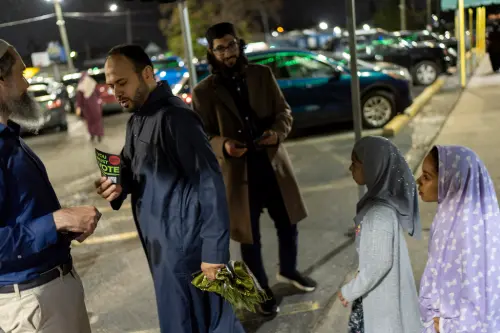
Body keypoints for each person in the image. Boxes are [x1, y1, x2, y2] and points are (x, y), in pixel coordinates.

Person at [95, 44, 245, 333]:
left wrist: (214, 253)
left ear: (147, 73)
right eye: (111, 85)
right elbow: (132, 166)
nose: (116, 92)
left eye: (122, 82)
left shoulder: (176, 117)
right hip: (163, 251)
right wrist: (116, 182)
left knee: (213, 323)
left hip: (188, 253)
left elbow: (210, 183)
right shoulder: (137, 118)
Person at [191, 22, 316, 316]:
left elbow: (284, 112)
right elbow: (203, 137)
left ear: (239, 44)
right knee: (250, 238)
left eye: (231, 45)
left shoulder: (262, 75)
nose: (227, 53)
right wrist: (224, 146)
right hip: (237, 174)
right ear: (211, 52)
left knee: (288, 222)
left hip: (272, 165)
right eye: (220, 48)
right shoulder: (204, 91)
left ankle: (288, 270)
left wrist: (276, 132)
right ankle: (260, 291)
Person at [0, 40, 101, 333]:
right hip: (31, 303)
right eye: (21, 74)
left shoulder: (11, 138)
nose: (28, 82)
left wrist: (63, 230)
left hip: (52, 290)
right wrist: (57, 220)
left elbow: (22, 215)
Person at [338, 136, 423, 333]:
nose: (351, 169)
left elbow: (380, 263)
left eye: (355, 164)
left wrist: (350, 291)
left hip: (382, 301)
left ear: (373, 166)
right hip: (378, 295)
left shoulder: (378, 214)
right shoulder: (381, 204)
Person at [417, 146, 500, 333]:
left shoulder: (469, 230)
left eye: (427, 177)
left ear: (453, 181)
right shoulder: (450, 215)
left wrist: (449, 326)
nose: (418, 181)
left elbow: (480, 296)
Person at [76, 71, 104, 142]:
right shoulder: (92, 83)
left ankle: (93, 134)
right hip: (95, 106)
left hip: (87, 107)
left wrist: (79, 107)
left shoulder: (80, 86)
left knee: (90, 121)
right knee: (97, 120)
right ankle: (98, 134)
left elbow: (79, 99)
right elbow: (98, 94)